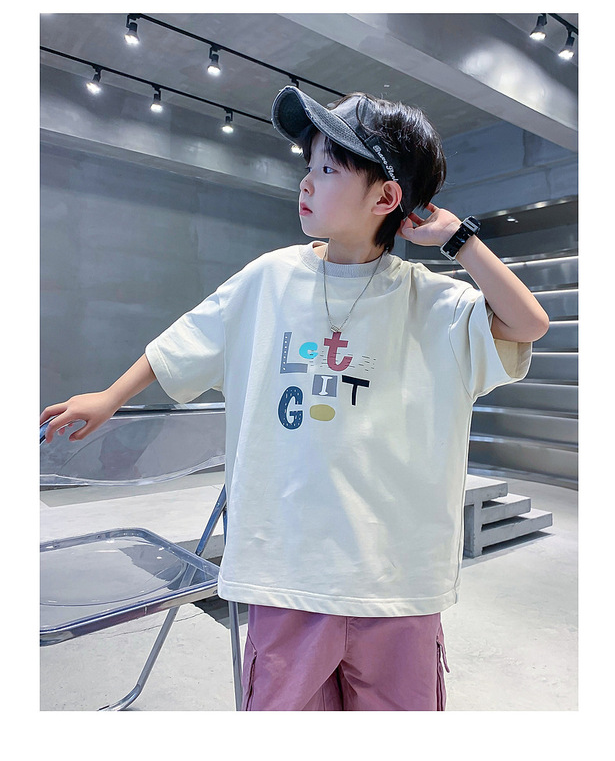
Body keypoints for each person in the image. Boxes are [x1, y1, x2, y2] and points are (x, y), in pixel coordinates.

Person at [40, 86, 549, 711]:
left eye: (329, 169)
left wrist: (458, 240)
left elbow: (527, 324)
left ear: (386, 198)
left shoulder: (434, 302)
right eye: (308, 165)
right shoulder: (269, 278)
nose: (306, 182)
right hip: (285, 570)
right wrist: (110, 397)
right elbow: (184, 341)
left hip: (396, 578)